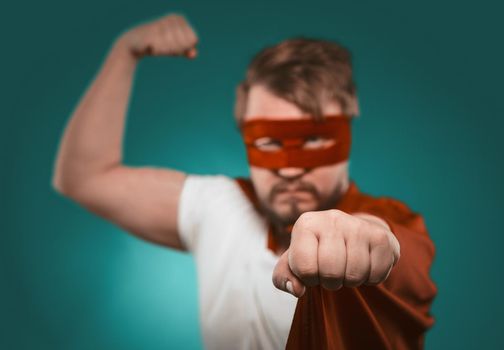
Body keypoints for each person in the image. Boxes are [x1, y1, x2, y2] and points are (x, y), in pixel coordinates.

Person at [52, 13, 437, 350]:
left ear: (347, 134)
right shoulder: (218, 206)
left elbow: (390, 248)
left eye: (314, 140)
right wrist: (125, 53)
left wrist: (363, 239)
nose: (288, 169)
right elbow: (85, 176)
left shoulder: (395, 224)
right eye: (268, 142)